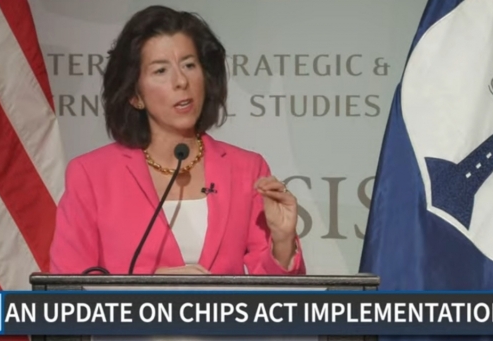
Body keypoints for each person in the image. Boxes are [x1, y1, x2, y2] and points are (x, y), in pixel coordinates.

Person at [49, 5, 305, 276]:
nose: (181, 81)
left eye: (189, 65)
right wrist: (147, 290)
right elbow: (68, 288)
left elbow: (278, 304)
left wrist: (282, 242)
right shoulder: (91, 175)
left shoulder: (247, 169)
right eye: (161, 70)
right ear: (134, 95)